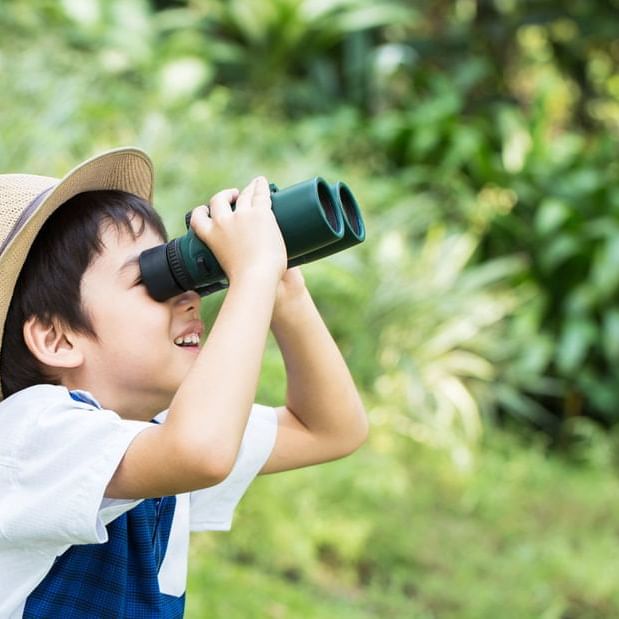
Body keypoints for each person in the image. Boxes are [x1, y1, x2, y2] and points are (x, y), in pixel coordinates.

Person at [0, 147, 368, 618]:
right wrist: (251, 273)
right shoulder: (29, 437)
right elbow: (200, 451)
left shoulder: (158, 432)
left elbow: (330, 429)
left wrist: (284, 291)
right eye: (151, 279)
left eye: (175, 269)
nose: (189, 294)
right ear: (56, 336)